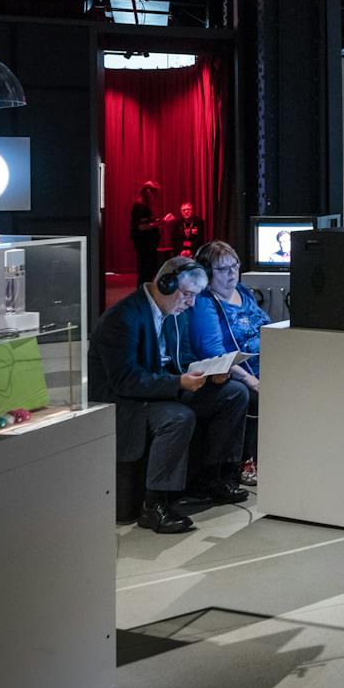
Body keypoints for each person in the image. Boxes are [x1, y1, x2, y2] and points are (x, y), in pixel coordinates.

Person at [88, 256, 249, 534]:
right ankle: (155, 505)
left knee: (233, 393)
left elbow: (183, 358)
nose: (191, 303)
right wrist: (178, 383)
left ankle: (211, 478)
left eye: (195, 296)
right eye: (187, 295)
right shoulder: (123, 318)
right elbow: (126, 380)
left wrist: (209, 374)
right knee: (178, 417)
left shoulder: (175, 315)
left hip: (162, 389)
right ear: (165, 284)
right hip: (127, 401)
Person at [190, 241, 268, 486]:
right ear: (207, 273)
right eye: (224, 269)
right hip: (236, 375)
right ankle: (246, 461)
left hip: (270, 367)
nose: (232, 273)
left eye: (235, 266)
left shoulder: (243, 292)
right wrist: (251, 380)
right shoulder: (205, 304)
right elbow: (215, 354)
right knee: (254, 395)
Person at [130, 181, 174, 288]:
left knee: (147, 270)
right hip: (145, 244)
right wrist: (162, 222)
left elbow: (146, 222)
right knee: (146, 270)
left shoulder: (142, 205)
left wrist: (156, 221)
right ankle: (143, 292)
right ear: (149, 192)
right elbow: (142, 226)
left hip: (147, 244)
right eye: (155, 195)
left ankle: (144, 291)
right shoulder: (141, 206)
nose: (155, 198)